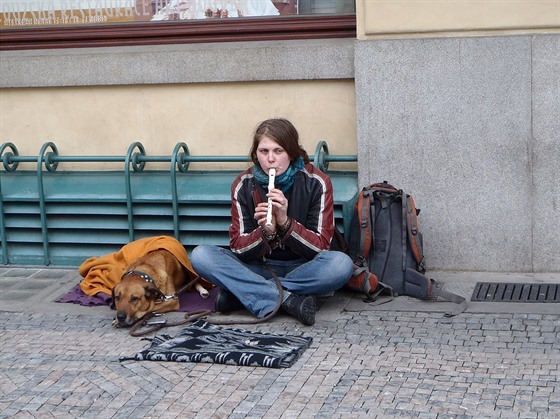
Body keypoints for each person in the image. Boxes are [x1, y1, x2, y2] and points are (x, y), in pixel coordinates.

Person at [190, 118, 353, 325]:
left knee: (341, 265)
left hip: (305, 267)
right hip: (260, 266)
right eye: (264, 151)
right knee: (201, 256)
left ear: (291, 153)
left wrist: (285, 222)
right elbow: (238, 247)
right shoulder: (243, 184)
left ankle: (246, 293)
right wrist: (265, 233)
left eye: (278, 151)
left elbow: (320, 247)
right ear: (255, 154)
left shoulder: (317, 182)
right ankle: (287, 299)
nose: (271, 159)